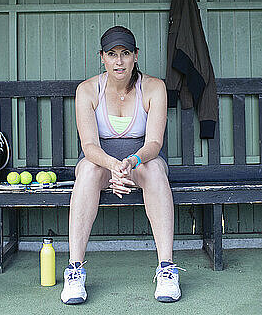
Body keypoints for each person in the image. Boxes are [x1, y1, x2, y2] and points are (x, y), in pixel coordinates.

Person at [61, 25, 183, 305]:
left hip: (141, 159)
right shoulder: (87, 90)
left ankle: (167, 269)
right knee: (88, 171)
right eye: (112, 54)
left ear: (136, 56)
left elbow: (154, 143)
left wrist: (131, 161)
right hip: (102, 161)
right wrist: (113, 165)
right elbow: (89, 147)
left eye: (125, 53)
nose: (119, 61)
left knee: (154, 170)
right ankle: (75, 270)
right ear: (101, 57)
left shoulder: (153, 87)